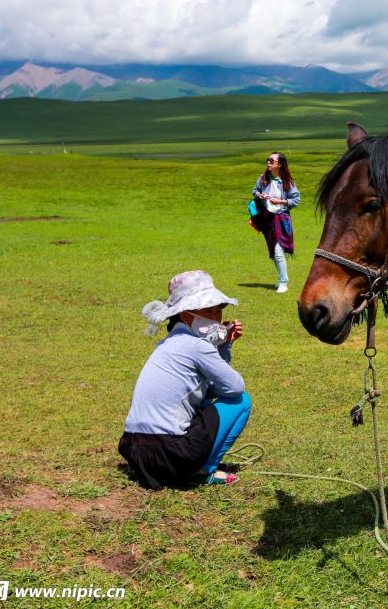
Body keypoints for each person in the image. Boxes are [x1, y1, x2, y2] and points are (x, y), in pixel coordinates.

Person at [119, 270, 252, 490]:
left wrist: (223, 344)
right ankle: (203, 469)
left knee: (206, 401)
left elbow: (208, 391)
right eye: (207, 310)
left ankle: (194, 463)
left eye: (218, 311)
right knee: (242, 401)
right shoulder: (197, 345)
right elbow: (234, 387)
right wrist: (225, 346)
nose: (215, 318)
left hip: (136, 454)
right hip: (167, 455)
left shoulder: (167, 343)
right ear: (185, 315)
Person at [252, 152, 301, 293]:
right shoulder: (263, 178)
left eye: (272, 160)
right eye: (268, 160)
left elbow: (296, 200)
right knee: (273, 251)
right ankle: (282, 278)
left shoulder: (288, 182)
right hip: (266, 218)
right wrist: (259, 195)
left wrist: (280, 201)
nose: (268, 162)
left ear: (280, 164)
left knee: (279, 251)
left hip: (281, 219)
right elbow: (255, 191)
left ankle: (283, 283)